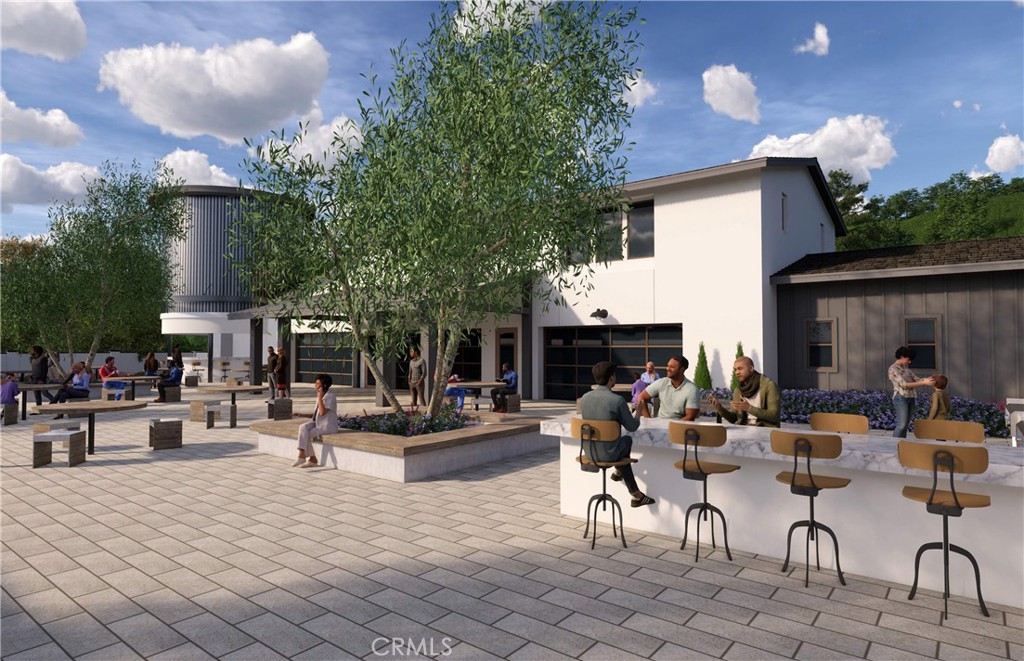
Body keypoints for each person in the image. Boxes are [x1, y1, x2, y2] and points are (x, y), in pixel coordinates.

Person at [578, 361, 655, 507]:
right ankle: (627, 482)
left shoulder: (585, 398)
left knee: (621, 446)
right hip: (609, 455)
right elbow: (632, 427)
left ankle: (628, 484)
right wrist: (638, 413)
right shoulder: (617, 401)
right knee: (627, 440)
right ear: (611, 378)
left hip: (589, 452)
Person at [710, 356, 781, 427]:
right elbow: (734, 419)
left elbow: (774, 415)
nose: (737, 372)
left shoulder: (769, 386)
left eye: (740, 369)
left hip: (764, 430)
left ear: (751, 368)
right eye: (735, 370)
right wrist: (720, 408)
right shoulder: (738, 390)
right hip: (743, 430)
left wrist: (749, 408)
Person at [887, 347, 934, 438]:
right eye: (908, 359)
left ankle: (902, 443)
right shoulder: (893, 369)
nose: (909, 362)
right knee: (902, 425)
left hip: (910, 398)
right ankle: (893, 444)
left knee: (905, 425)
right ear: (902, 357)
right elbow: (904, 384)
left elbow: (916, 379)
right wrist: (923, 382)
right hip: (901, 397)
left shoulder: (905, 369)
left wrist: (928, 380)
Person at [294, 374, 338, 468]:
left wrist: (319, 398)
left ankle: (310, 458)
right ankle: (305, 455)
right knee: (302, 428)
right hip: (317, 423)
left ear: (324, 385)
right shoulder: (320, 396)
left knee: (305, 435)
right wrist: (301, 414)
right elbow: (316, 414)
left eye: (317, 383)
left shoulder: (330, 396)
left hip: (327, 426)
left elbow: (322, 412)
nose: (315, 385)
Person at [635, 356, 700, 420]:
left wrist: (672, 427)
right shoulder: (662, 382)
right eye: (668, 366)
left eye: (672, 367)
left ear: (681, 369)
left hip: (678, 427)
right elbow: (641, 397)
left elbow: (690, 417)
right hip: (659, 425)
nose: (667, 369)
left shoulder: (691, 389)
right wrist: (648, 420)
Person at [28, 345, 51, 411]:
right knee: (37, 395)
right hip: (34, 379)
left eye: (32, 350)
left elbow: (45, 370)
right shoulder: (33, 359)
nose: (31, 351)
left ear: (36, 351)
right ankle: (39, 409)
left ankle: (54, 402)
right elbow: (35, 369)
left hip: (41, 380)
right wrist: (32, 376)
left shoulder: (43, 358)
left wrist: (42, 379)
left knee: (45, 393)